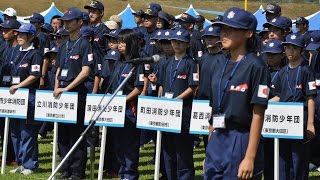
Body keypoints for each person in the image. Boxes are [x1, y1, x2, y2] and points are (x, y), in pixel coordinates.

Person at [204, 7, 270, 179]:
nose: (223, 34)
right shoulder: (218, 63)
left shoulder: (256, 66)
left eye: (231, 30)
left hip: (241, 139)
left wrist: (249, 157)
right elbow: (214, 108)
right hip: (217, 136)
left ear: (248, 33)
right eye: (222, 29)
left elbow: (258, 114)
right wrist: (210, 147)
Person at [53, 7, 93, 180]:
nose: (67, 24)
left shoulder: (85, 44)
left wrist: (67, 88)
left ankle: (77, 172)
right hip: (62, 94)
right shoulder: (64, 44)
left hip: (77, 93)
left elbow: (85, 72)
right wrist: (57, 87)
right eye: (65, 21)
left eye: (70, 21)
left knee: (77, 135)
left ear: (80, 22)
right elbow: (58, 70)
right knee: (63, 134)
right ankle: (65, 168)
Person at [270, 33, 316, 180]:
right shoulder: (282, 72)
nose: (290, 51)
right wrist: (264, 104)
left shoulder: (306, 71)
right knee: (284, 161)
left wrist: (310, 123)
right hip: (284, 123)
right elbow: (278, 96)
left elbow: (310, 98)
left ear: (301, 50)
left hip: (300, 122)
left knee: (299, 162)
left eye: (294, 48)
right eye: (288, 48)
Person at [158, 28, 199, 179]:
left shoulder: (190, 63)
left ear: (187, 44)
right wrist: (161, 99)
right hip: (168, 112)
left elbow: (193, 86)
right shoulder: (167, 62)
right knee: (168, 150)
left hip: (183, 113)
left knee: (183, 151)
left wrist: (177, 100)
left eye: (181, 42)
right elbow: (161, 84)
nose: (177, 45)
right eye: (174, 41)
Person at [110, 29, 145, 180]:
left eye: (123, 42)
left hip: (130, 110)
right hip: (116, 109)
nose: (119, 45)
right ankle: (121, 172)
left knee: (129, 144)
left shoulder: (138, 63)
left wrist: (124, 100)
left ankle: (130, 174)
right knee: (118, 144)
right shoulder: (119, 62)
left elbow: (139, 87)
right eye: (118, 42)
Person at [9, 23, 43, 175]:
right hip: (15, 98)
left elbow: (35, 75)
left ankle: (30, 164)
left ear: (31, 36)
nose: (19, 36)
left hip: (28, 97)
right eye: (18, 34)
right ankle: (20, 162)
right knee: (15, 132)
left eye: (23, 34)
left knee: (27, 132)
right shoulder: (16, 51)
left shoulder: (35, 53)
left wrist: (19, 86)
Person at [261, 39, 286, 179]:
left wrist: (264, 103)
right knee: (266, 156)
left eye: (273, 54)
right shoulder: (264, 70)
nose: (269, 57)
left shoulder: (284, 72)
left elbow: (281, 96)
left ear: (281, 55)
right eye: (267, 54)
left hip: (277, 119)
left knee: (277, 155)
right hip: (263, 117)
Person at [198, 25, 224, 150]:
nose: (209, 40)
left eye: (212, 38)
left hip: (218, 103)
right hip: (203, 102)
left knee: (218, 135)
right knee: (205, 137)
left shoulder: (224, 58)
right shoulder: (202, 58)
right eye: (206, 38)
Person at [0, 19, 21, 166]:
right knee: (3, 125)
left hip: (17, 89)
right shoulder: (4, 46)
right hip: (3, 88)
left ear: (15, 32)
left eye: (6, 30)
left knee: (15, 126)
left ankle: (14, 156)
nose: (3, 32)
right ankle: (6, 156)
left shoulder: (21, 48)